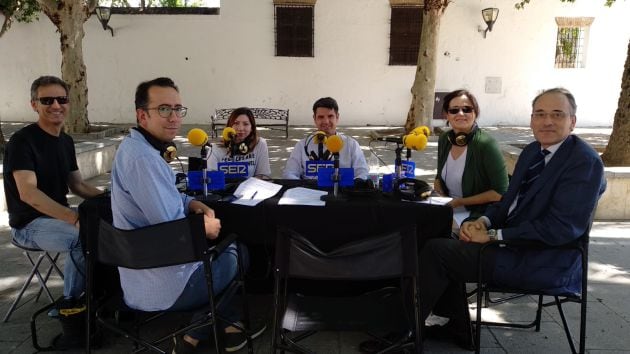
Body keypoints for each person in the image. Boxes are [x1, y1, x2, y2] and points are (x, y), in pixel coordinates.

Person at [419, 87, 606, 324]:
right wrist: (481, 222)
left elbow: (561, 229)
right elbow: (507, 202)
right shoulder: (531, 152)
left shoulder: (583, 162)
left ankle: (405, 331)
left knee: (438, 252)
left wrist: (494, 235)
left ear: (573, 122)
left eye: (557, 114)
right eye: (539, 114)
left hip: (545, 261)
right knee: (436, 234)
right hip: (510, 246)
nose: (547, 121)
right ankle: (456, 329)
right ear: (531, 120)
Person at [110, 77, 264, 353]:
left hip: (140, 276)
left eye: (178, 109)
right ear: (142, 115)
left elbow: (168, 197)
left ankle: (216, 331)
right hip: (165, 286)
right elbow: (175, 231)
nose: (174, 118)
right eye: (164, 109)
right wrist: (207, 227)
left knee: (217, 253)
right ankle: (202, 330)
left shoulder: (138, 148)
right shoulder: (144, 159)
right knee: (237, 251)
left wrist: (192, 202)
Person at [3, 75, 104, 347]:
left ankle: (102, 296)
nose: (55, 105)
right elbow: (29, 194)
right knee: (80, 238)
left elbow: (78, 185)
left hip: (56, 218)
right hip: (29, 225)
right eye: (47, 100)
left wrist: (114, 198)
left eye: (61, 99)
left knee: (108, 225)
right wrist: (73, 218)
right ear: (34, 104)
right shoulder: (22, 142)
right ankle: (72, 304)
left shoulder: (66, 140)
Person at [434, 89, 509, 225]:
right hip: (449, 208)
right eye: (454, 110)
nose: (461, 114)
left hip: (477, 215)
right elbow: (439, 177)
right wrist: (439, 191)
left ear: (475, 113)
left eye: (467, 109)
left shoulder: (486, 144)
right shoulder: (445, 139)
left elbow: (500, 192)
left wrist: (459, 202)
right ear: (447, 115)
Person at [282, 97, 369, 180]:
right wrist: (302, 189)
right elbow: (289, 173)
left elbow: (362, 173)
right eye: (321, 117)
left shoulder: (351, 144)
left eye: (330, 116)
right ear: (314, 119)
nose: (326, 121)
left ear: (337, 117)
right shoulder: (301, 146)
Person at [207, 107, 271, 178]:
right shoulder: (214, 149)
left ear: (252, 128)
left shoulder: (260, 144)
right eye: (236, 123)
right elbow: (210, 178)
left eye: (246, 124)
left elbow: (263, 175)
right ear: (229, 126)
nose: (240, 128)